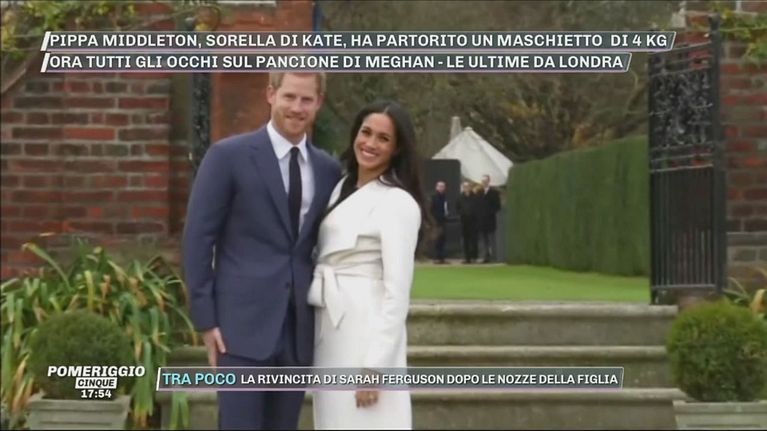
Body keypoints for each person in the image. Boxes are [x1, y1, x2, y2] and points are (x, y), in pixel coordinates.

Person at [182, 71, 342, 430]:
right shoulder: (228, 157)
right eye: (289, 97)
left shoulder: (328, 170)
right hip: (239, 330)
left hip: (297, 330)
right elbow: (197, 239)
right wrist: (206, 320)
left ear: (318, 103)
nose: (297, 107)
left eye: (306, 99)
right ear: (271, 94)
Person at [307, 100, 429, 429]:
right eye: (366, 132)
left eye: (383, 138)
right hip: (330, 324)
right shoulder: (340, 187)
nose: (370, 143)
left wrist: (376, 366)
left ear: (397, 148)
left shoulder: (398, 202)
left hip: (366, 332)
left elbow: (397, 293)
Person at [476, 174, 501, 263]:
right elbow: (477, 206)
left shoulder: (494, 193)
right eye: (483, 181)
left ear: (488, 181)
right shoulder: (479, 192)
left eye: (485, 181)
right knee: (484, 240)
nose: (484, 183)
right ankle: (486, 257)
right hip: (481, 220)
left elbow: (497, 206)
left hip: (490, 220)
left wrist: (489, 212)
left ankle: (494, 257)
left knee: (491, 239)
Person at [455, 181, 479, 263]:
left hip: (474, 221)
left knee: (474, 240)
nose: (466, 188)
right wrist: (462, 213)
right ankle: (467, 258)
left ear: (470, 187)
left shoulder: (475, 197)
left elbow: (478, 208)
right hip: (464, 222)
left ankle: (474, 257)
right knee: (465, 241)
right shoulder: (460, 197)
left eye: (468, 186)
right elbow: (457, 208)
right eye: (465, 187)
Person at [430, 181, 449, 264]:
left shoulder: (445, 197)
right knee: (436, 240)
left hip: (443, 221)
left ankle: (442, 258)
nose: (441, 188)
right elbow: (431, 209)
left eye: (443, 186)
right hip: (436, 222)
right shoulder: (433, 197)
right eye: (440, 186)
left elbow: (446, 208)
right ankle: (436, 258)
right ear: (436, 187)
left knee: (442, 240)